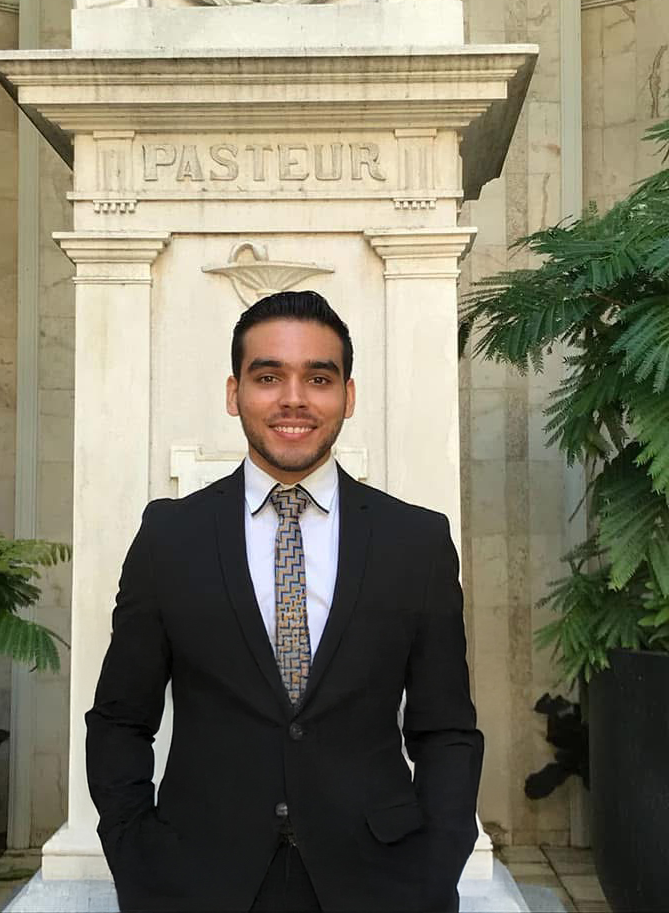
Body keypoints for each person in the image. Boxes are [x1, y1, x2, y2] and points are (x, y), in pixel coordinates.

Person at [85, 290, 484, 913]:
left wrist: (434, 869)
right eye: (268, 376)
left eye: (318, 379)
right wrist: (139, 861)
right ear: (234, 393)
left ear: (348, 395)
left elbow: (447, 730)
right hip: (199, 880)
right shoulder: (169, 537)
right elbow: (119, 720)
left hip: (380, 881)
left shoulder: (417, 542)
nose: (293, 399)